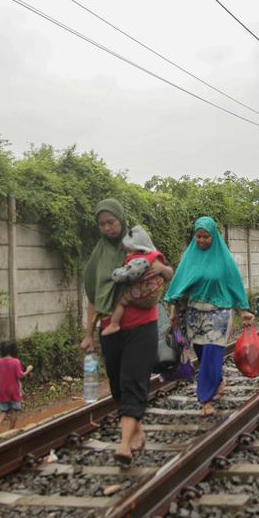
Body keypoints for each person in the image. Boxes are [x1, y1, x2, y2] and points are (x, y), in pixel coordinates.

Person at [80, 199, 173, 464]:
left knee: (133, 380)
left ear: (122, 220)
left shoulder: (137, 244)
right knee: (118, 386)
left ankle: (123, 445)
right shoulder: (98, 257)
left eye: (112, 222)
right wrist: (88, 334)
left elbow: (167, 272)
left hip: (142, 326)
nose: (107, 228)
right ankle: (136, 429)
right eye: (102, 224)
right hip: (109, 328)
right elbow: (94, 298)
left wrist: (162, 269)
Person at [165, 216, 255, 417]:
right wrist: (173, 313)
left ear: (214, 236)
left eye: (206, 237)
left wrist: (243, 310)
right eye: (198, 237)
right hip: (194, 315)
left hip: (219, 314)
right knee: (203, 354)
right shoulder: (189, 257)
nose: (202, 241)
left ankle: (206, 399)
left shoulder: (223, 259)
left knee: (212, 356)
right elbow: (180, 286)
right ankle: (218, 379)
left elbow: (234, 284)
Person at [102, 225, 172, 337]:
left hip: (142, 298)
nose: (128, 254)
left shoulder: (142, 260)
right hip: (152, 298)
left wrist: (114, 275)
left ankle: (114, 324)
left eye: (129, 251)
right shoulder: (154, 256)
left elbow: (130, 273)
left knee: (120, 301)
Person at [0, 341, 30, 437]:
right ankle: (11, 430)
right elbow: (20, 375)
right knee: (15, 409)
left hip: (3, 390)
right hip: (14, 390)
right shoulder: (16, 362)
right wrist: (28, 369)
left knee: (4, 410)